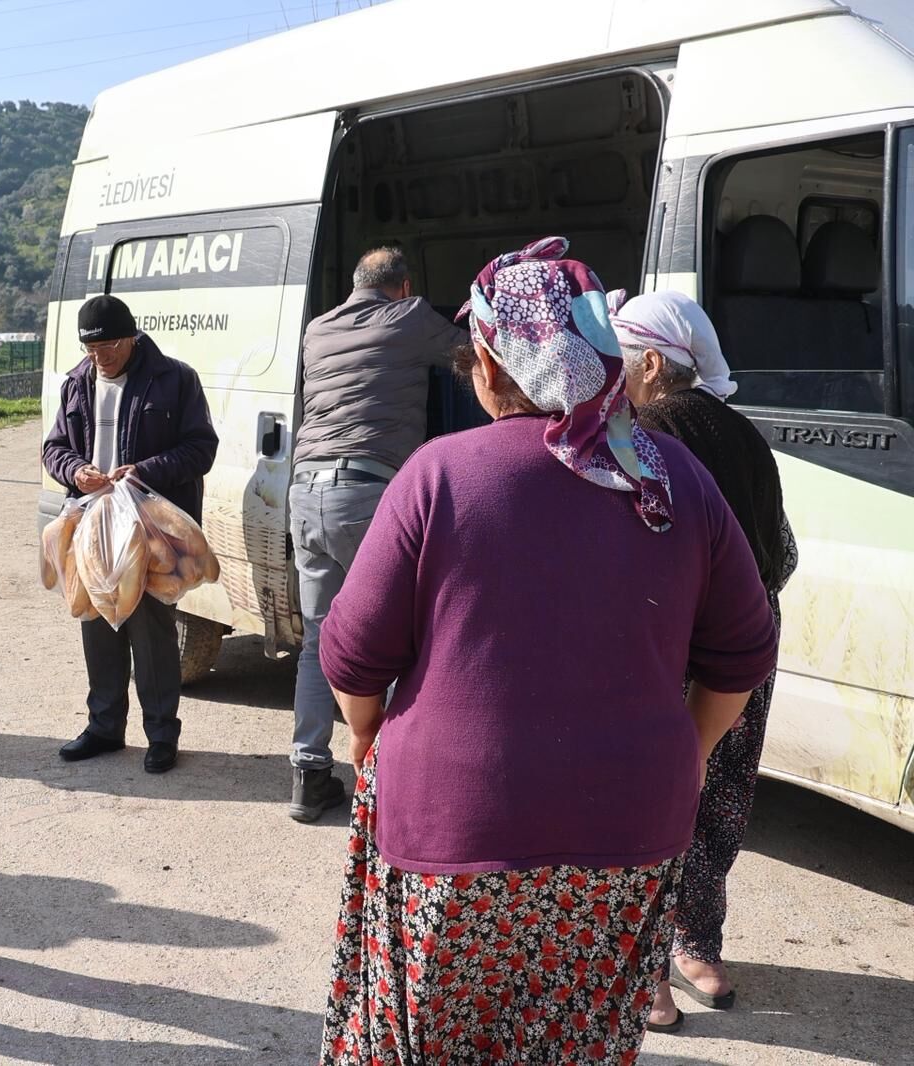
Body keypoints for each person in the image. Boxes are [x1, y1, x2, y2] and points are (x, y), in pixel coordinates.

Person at [316, 238, 779, 1065]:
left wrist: (365, 736)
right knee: (579, 1043)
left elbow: (351, 656)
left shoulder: (438, 475)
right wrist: (693, 751)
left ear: (492, 365)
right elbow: (744, 652)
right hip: (630, 831)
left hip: (454, 830)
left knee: (440, 1040)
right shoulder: (672, 477)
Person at [610, 289, 798, 1031]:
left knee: (652, 799)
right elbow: (782, 552)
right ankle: (698, 947)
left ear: (652, 364)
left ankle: (648, 970)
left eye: (618, 362)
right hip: (749, 642)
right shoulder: (746, 434)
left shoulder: (638, 433)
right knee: (719, 797)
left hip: (672, 643)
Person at [287, 244, 463, 823]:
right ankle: (388, 784)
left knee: (319, 638)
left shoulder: (317, 329)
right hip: (365, 493)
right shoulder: (408, 318)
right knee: (392, 636)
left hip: (305, 492)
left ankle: (309, 774)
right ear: (404, 286)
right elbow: (473, 358)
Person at [42, 294, 218, 774]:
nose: (102, 357)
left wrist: (143, 471)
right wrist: (76, 471)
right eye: (93, 349)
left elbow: (201, 449)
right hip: (91, 524)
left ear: (132, 337)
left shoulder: (175, 378)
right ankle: (104, 727)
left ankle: (161, 735)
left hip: (150, 526)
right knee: (96, 621)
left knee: (151, 629)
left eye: (111, 347)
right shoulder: (77, 382)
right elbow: (54, 447)